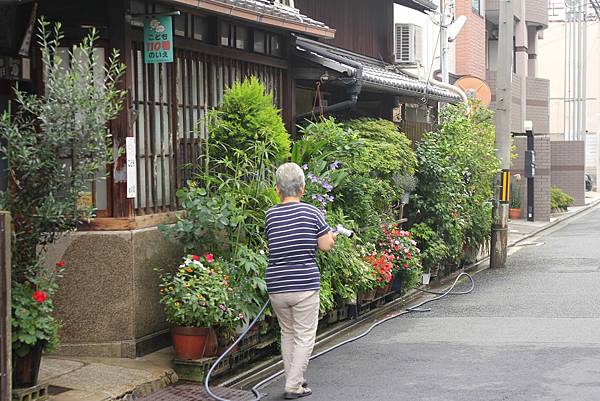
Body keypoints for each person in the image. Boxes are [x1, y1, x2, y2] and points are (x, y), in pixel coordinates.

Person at [264, 162, 337, 399]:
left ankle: (294, 379)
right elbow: (325, 246)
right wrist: (332, 236)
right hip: (304, 285)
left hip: (277, 285)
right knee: (305, 336)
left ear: (277, 190)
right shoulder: (311, 212)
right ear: (302, 189)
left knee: (288, 333)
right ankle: (293, 385)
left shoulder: (270, 215)